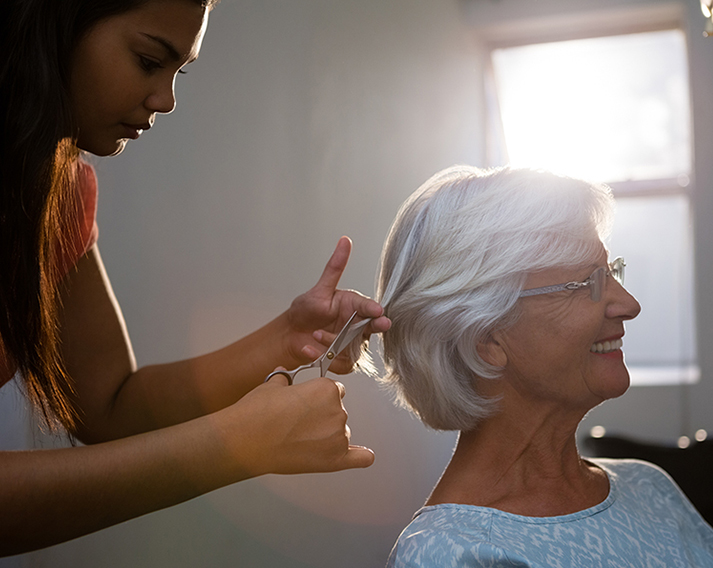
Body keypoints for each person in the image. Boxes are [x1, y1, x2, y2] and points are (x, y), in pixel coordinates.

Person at [0, 0, 390, 556]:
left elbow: (109, 406)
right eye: (147, 60)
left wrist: (284, 338)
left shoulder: (57, 193)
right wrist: (236, 446)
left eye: (178, 71)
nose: (166, 100)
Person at [374, 165, 713, 567]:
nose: (629, 305)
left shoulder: (649, 486)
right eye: (589, 283)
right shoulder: (451, 555)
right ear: (487, 338)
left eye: (610, 273)